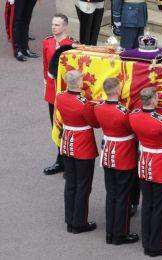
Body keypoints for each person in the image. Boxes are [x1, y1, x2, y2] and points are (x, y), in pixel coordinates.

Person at [88, 78, 140, 245]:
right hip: (124, 154)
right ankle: (120, 234)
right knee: (123, 196)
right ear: (118, 90)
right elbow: (134, 129)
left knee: (111, 195)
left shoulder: (99, 107)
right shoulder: (123, 112)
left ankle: (110, 232)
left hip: (108, 152)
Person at [129, 87, 162, 257]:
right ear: (154, 100)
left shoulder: (133, 115)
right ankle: (157, 245)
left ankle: (147, 242)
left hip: (144, 162)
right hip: (160, 164)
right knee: (159, 208)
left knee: (147, 204)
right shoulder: (160, 120)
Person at [55, 70, 98, 234]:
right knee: (83, 185)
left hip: (67, 143)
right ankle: (79, 222)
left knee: (71, 183)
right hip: (83, 145)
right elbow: (94, 123)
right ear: (78, 83)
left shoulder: (60, 96)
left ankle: (70, 219)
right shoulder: (83, 103)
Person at [42, 13, 77, 176]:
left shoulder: (72, 45)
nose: (53, 27)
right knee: (55, 126)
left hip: (66, 93)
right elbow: (45, 66)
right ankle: (61, 160)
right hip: (51, 92)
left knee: (68, 128)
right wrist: (45, 83)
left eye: (57, 25)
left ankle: (68, 162)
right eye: (52, 24)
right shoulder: (47, 42)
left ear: (64, 27)